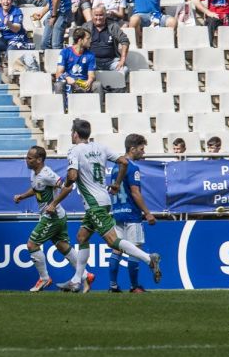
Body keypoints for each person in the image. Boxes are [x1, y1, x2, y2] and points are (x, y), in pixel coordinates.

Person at [46, 119, 162, 292]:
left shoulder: (74, 150)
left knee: (113, 241)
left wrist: (69, 180)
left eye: (72, 132)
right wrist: (116, 183)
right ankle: (77, 280)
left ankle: (148, 259)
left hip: (94, 204)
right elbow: (123, 162)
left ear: (75, 134)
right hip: (104, 200)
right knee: (82, 237)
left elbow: (72, 174)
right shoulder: (101, 147)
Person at [12, 145, 75, 292]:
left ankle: (44, 279)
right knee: (62, 246)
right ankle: (85, 275)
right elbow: (36, 189)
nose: (26, 160)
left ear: (39, 160)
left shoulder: (47, 174)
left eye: (29, 158)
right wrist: (22, 196)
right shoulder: (35, 173)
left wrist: (53, 204)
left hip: (52, 216)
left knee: (32, 245)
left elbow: (67, 187)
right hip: (56, 216)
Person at [107, 133, 156, 293]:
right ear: (132, 148)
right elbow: (135, 192)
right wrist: (147, 213)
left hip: (118, 212)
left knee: (117, 249)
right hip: (131, 214)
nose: (143, 152)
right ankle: (134, 286)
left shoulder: (116, 167)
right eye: (141, 149)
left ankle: (113, 285)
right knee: (135, 249)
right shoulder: (132, 168)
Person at [0, 0, 31, 74]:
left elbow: (17, 29)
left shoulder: (17, 11)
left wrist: (8, 24)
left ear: (12, 1)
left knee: (9, 52)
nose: (6, 2)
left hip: (18, 38)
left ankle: (14, 70)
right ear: (1, 0)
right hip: (5, 39)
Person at [80, 4, 130, 73]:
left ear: (105, 15)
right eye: (96, 15)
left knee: (124, 70)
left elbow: (125, 41)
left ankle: (115, 84)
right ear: (92, 15)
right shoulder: (86, 26)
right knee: (81, 69)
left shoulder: (113, 26)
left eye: (101, 15)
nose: (98, 18)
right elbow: (79, 42)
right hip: (92, 61)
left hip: (111, 61)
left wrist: (122, 59)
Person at [55, 27, 100, 98]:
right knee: (59, 85)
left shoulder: (90, 55)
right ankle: (62, 108)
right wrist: (67, 78)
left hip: (83, 83)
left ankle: (97, 108)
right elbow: (58, 73)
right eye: (88, 38)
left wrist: (89, 81)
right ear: (80, 40)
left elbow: (91, 75)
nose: (90, 41)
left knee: (97, 85)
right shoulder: (65, 52)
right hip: (70, 83)